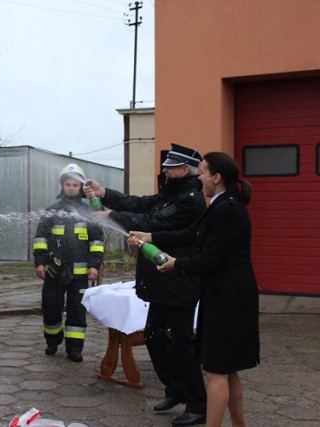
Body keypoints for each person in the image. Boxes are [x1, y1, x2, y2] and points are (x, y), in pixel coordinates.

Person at [130, 152, 260, 427]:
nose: (198, 177)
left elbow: (210, 259)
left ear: (216, 177)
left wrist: (176, 265)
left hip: (229, 299)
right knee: (229, 371)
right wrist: (151, 237)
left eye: (201, 172)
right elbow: (191, 234)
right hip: (226, 296)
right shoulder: (220, 204)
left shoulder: (228, 210)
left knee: (215, 373)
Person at [85, 143, 208, 427]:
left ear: (185, 170)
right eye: (165, 165)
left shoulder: (189, 198)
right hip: (162, 283)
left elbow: (154, 221)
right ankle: (175, 390)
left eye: (170, 166)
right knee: (153, 335)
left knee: (182, 344)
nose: (164, 169)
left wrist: (111, 216)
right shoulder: (170, 194)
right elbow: (141, 205)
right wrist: (106, 195)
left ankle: (198, 404)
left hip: (179, 282)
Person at [33, 163, 105, 362]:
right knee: (51, 307)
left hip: (80, 275)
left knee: (77, 311)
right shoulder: (51, 211)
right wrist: (39, 262)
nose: (71, 188)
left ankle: (75, 348)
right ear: (62, 186)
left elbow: (97, 241)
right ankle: (52, 341)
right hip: (54, 271)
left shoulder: (90, 212)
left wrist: (94, 265)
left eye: (75, 184)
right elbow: (41, 238)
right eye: (68, 184)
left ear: (81, 187)